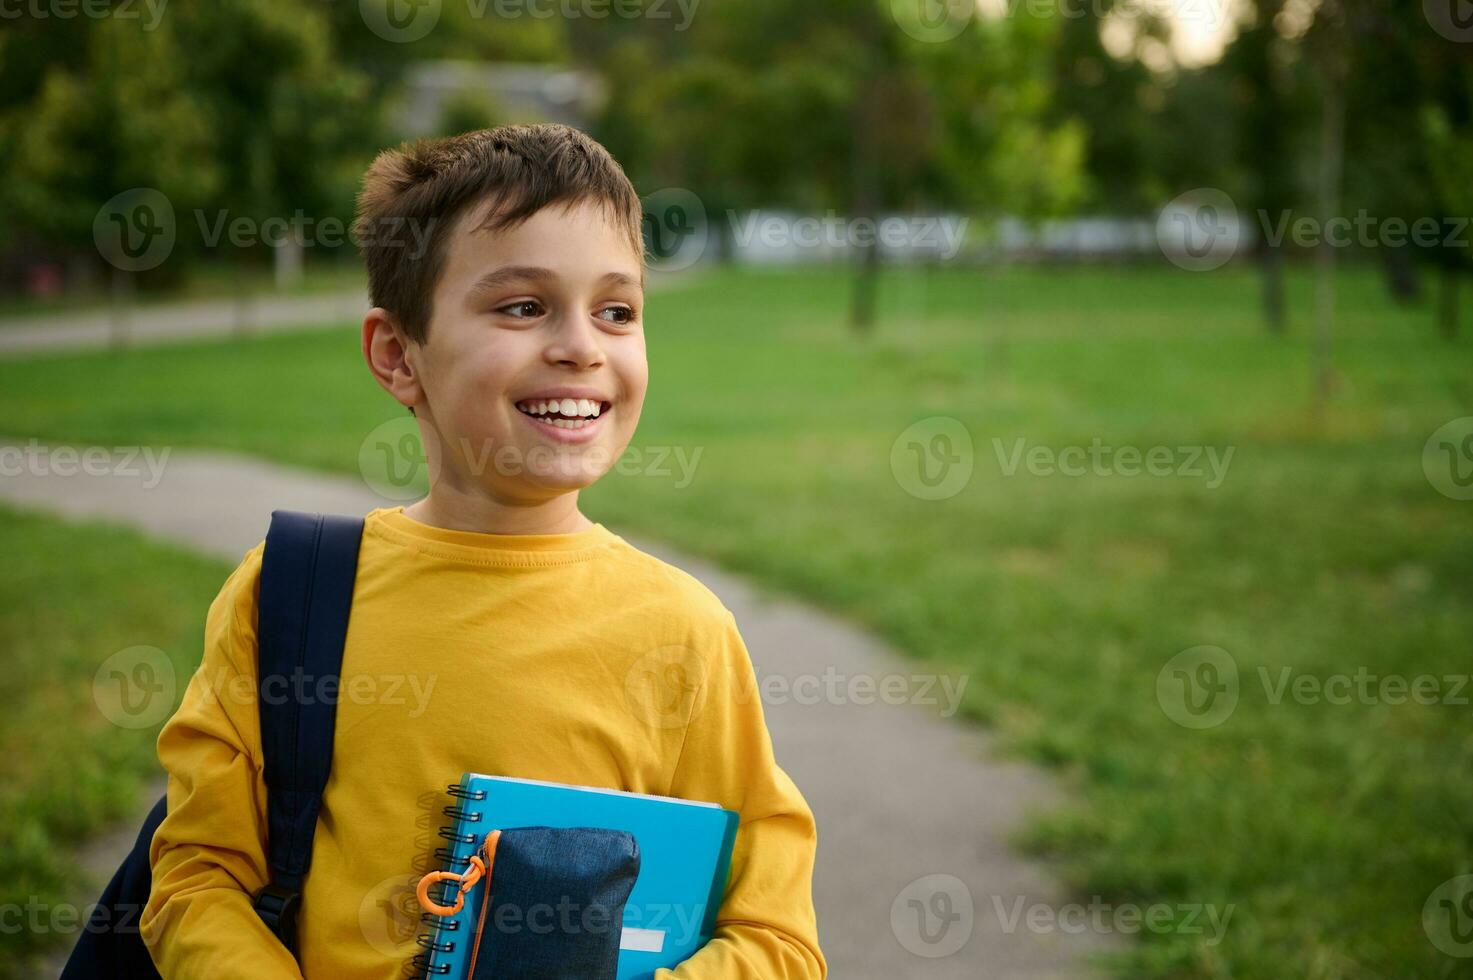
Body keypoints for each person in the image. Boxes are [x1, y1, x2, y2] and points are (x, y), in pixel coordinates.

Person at [139, 123, 826, 979]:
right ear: (398, 355)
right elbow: (196, 880)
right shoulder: (292, 593)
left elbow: (775, 939)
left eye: (616, 311)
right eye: (523, 306)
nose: (582, 345)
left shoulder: (684, 631)